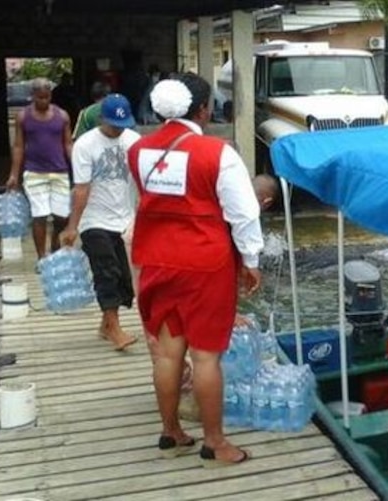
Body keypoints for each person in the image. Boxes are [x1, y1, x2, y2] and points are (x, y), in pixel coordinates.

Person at [127, 72, 263, 464]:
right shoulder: (217, 153)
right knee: (205, 357)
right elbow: (243, 213)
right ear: (203, 110)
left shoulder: (137, 150)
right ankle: (215, 442)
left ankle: (170, 431)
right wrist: (251, 260)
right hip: (205, 264)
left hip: (156, 260)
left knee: (168, 354)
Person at [173, 172, 279, 422]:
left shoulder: (220, 202)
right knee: (204, 351)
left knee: (171, 344)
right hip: (194, 276)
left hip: (170, 265)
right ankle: (199, 408)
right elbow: (223, 273)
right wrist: (228, 314)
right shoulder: (242, 217)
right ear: (266, 203)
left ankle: (179, 402)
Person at [59, 94, 141, 352]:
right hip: (93, 219)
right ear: (101, 119)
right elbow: (81, 189)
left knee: (124, 281)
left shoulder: (134, 141)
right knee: (106, 271)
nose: (119, 129)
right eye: (114, 124)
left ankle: (106, 324)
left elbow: (143, 181)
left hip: (125, 218)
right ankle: (115, 330)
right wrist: (73, 226)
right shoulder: (85, 145)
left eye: (123, 124)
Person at [6, 77, 73, 262]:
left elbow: (68, 143)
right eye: (40, 98)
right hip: (34, 172)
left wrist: (76, 164)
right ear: (33, 96)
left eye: (47, 97)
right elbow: (18, 146)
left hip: (59, 171)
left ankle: (54, 245)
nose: (44, 101)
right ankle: (42, 257)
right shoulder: (23, 117)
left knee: (62, 216)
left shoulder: (62, 116)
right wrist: (14, 174)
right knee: (40, 215)